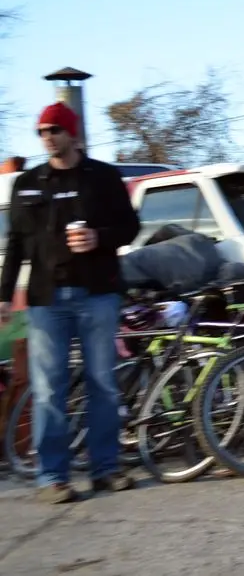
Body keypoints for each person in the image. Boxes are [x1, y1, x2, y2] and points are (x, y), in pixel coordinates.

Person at [0, 102, 141, 503]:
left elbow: (130, 227)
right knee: (49, 389)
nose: (48, 137)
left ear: (73, 135)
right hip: (46, 301)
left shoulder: (104, 177)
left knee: (103, 384)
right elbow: (15, 246)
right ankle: (52, 477)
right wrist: (4, 296)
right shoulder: (27, 183)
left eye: (55, 130)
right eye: (42, 131)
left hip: (97, 294)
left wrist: (100, 237)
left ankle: (105, 469)